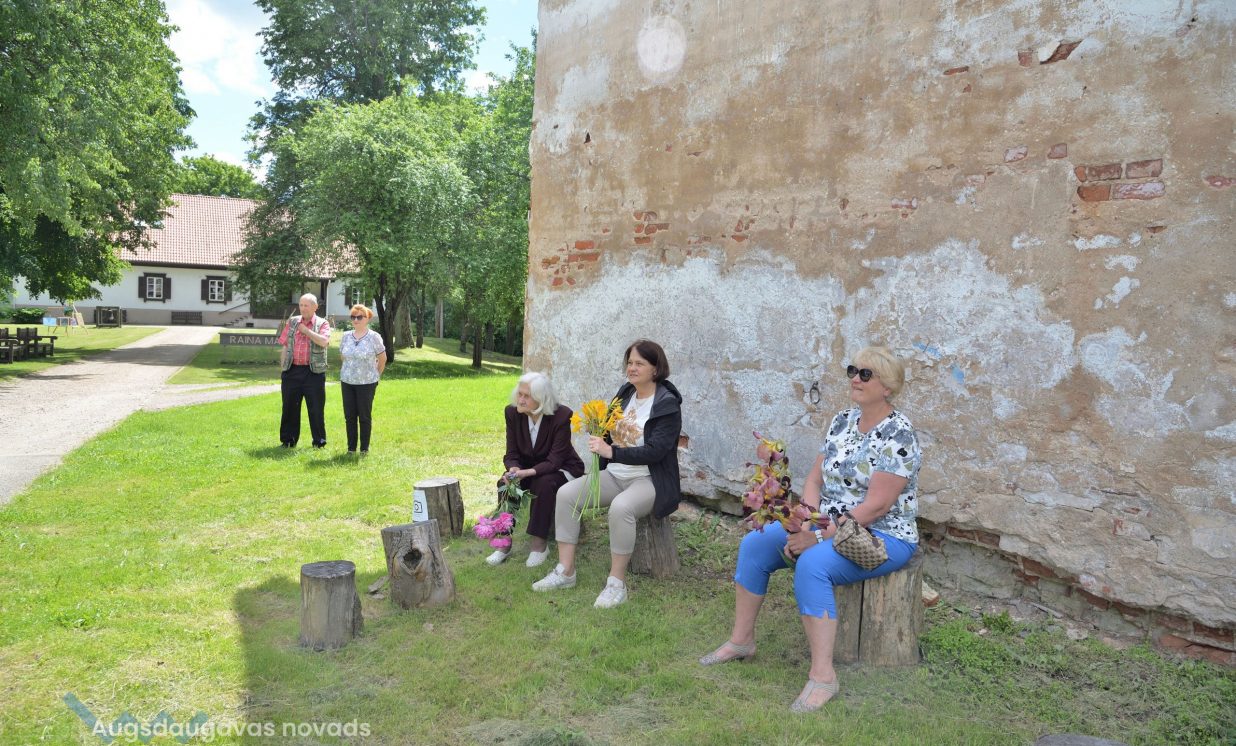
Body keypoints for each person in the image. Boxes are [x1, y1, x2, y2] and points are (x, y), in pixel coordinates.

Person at [700, 346, 922, 713]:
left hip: (882, 534)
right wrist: (807, 518)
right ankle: (741, 641)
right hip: (828, 523)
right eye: (853, 370)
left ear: (887, 386)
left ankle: (823, 677)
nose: (855, 378)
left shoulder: (900, 434)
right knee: (756, 544)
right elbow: (815, 480)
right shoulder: (843, 420)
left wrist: (816, 536)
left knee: (813, 564)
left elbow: (876, 507)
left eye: (865, 374)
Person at [532, 339, 683, 609]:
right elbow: (609, 428)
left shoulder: (667, 404)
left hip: (648, 479)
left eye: (639, 363)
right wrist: (596, 430)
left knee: (621, 508)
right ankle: (565, 571)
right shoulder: (626, 393)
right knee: (566, 495)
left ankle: (616, 583)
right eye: (629, 362)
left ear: (655, 368)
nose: (632, 368)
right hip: (615, 475)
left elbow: (656, 451)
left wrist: (611, 452)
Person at [491, 372, 586, 567]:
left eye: (527, 396)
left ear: (542, 400)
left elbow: (555, 460)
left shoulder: (561, 416)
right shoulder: (512, 413)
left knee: (543, 483)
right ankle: (503, 543)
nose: (520, 400)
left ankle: (539, 545)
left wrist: (527, 472)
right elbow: (512, 452)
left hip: (562, 468)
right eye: (520, 394)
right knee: (506, 483)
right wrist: (514, 469)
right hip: (528, 466)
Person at [278, 293, 331, 448]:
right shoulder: (292, 321)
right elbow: (285, 345)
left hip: (313, 373)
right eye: (301, 305)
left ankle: (319, 442)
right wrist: (283, 368)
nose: (302, 308)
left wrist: (306, 331)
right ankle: (288, 441)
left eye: (306, 305)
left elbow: (324, 342)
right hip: (291, 371)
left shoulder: (322, 323)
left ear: (315, 307)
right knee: (289, 407)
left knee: (316, 409)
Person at [339, 304, 386, 454]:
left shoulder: (374, 337)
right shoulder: (346, 336)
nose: (356, 320)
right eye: (353, 317)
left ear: (367, 319)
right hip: (347, 382)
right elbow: (343, 357)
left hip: (367, 383)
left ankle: (364, 449)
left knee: (364, 416)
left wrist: (376, 376)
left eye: (359, 317)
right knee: (350, 416)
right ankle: (351, 449)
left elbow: (382, 358)